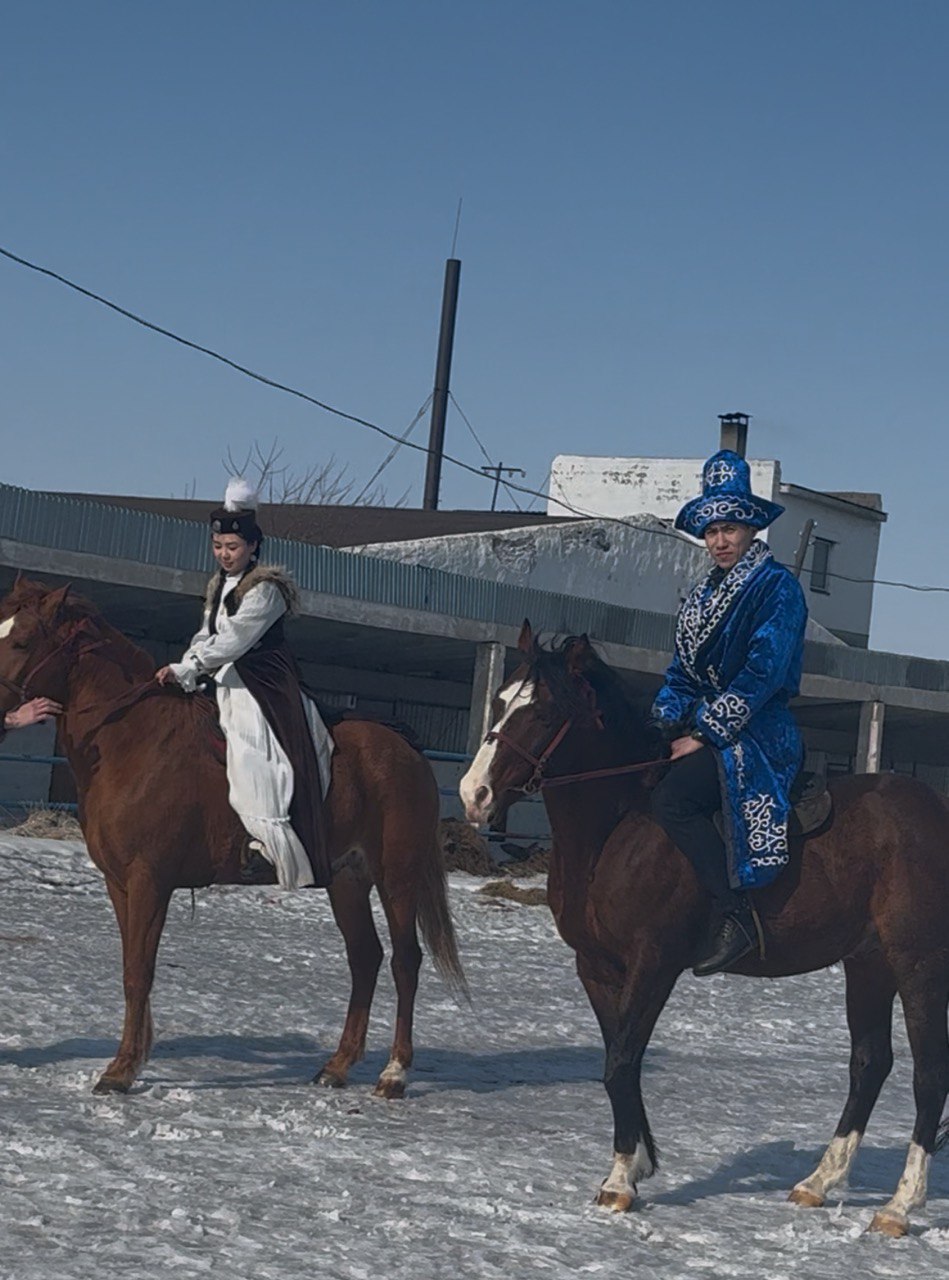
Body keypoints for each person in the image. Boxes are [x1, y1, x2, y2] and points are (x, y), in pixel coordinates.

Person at [650, 449, 807, 976]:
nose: (719, 541)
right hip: (705, 724)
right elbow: (681, 674)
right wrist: (663, 721)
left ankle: (736, 914)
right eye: (712, 530)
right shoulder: (698, 598)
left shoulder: (777, 588)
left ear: (750, 529)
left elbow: (763, 672)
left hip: (759, 731)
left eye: (730, 529)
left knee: (673, 799)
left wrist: (704, 733)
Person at [156, 479, 334, 889]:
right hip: (221, 676)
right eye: (218, 546)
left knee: (251, 748)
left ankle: (268, 845)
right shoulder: (218, 585)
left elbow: (236, 639)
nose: (224, 554)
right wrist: (185, 664)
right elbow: (207, 633)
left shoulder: (267, 589)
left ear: (253, 547)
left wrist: (191, 667)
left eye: (232, 547)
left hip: (261, 683)